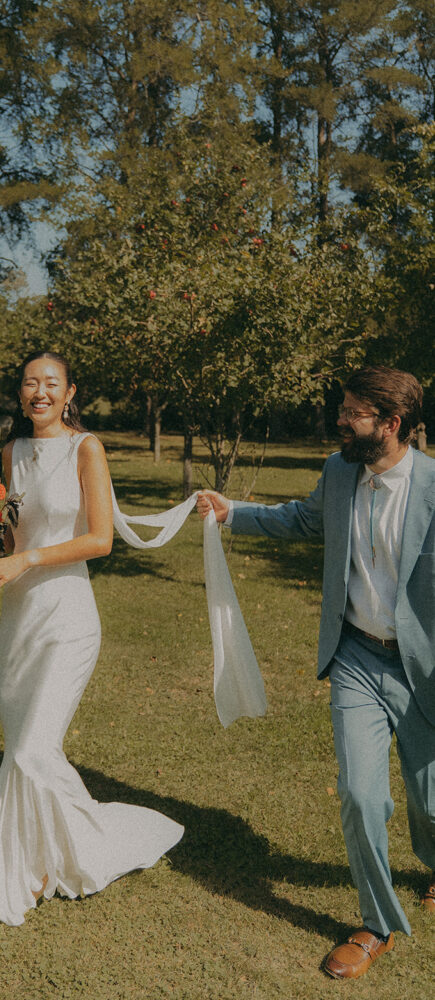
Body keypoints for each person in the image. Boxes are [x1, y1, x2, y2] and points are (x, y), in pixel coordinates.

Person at [0, 350, 183, 954]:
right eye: (30, 383)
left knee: (33, 750)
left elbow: (100, 539)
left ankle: (45, 862)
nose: (39, 392)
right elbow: (11, 532)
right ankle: (40, 859)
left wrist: (26, 559)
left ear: (69, 393)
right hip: (19, 619)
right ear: (21, 393)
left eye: (50, 384)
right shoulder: (10, 454)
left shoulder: (87, 448)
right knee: (24, 747)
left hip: (68, 617)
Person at [197, 366, 434, 980]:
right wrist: (233, 513)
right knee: (360, 794)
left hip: (425, 670)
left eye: (353, 412)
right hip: (355, 655)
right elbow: (304, 521)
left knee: (431, 805)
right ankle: (375, 923)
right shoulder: (337, 471)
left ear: (391, 424)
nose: (339, 420)